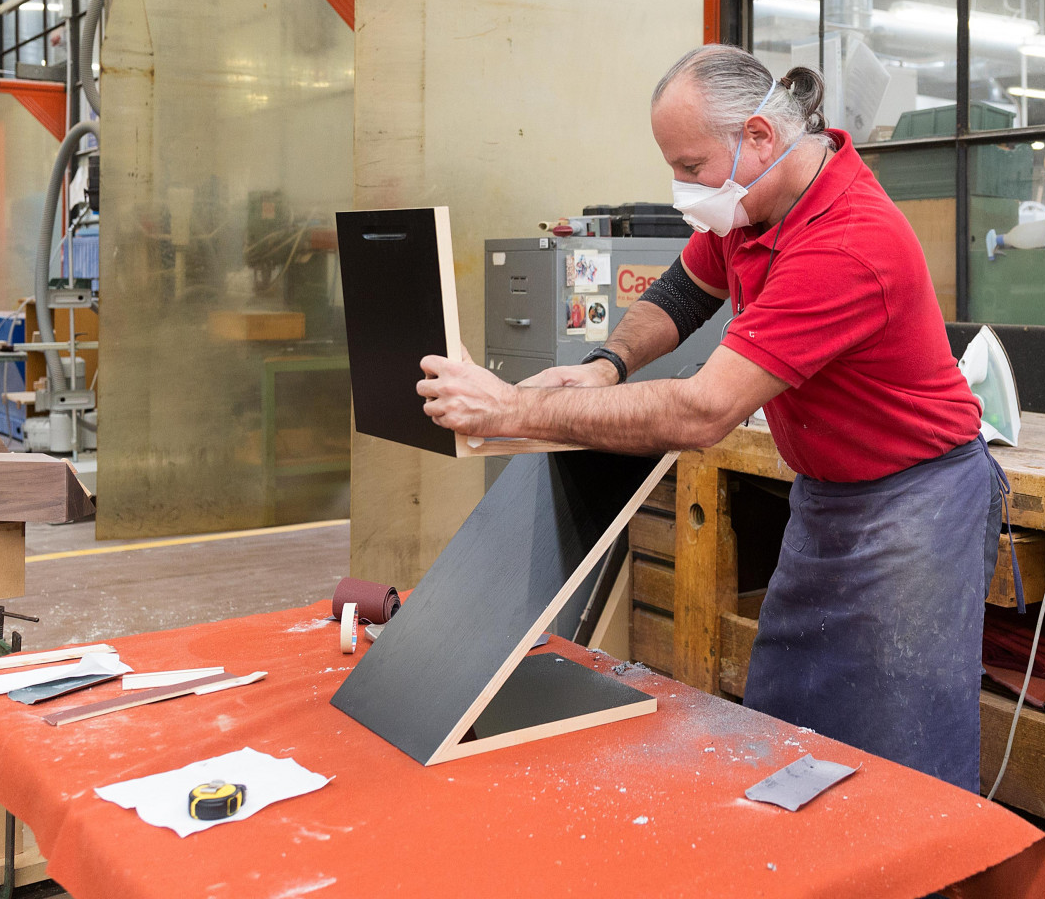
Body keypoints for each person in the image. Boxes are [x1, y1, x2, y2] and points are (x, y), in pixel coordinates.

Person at [416, 45, 1001, 791]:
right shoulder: (754, 205)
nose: (684, 187)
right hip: (826, 494)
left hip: (916, 503)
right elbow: (684, 293)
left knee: (900, 750)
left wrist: (516, 407)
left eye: (691, 166)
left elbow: (703, 409)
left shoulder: (848, 242)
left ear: (758, 137)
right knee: (788, 717)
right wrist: (604, 367)